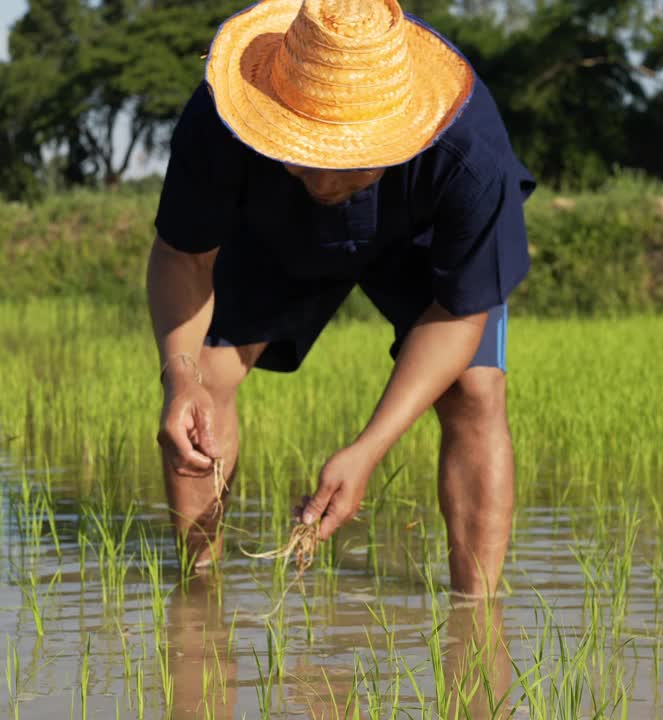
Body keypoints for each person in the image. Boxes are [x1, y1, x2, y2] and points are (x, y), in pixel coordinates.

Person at [147, 0, 535, 597]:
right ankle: (199, 597)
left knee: (476, 391)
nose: (325, 184)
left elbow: (462, 309)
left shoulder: (472, 155)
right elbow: (182, 255)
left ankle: (474, 615)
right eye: (303, 159)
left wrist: (368, 450)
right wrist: (180, 376)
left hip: (416, 236)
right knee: (210, 376)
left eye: (353, 166)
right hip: (277, 229)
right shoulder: (220, 117)